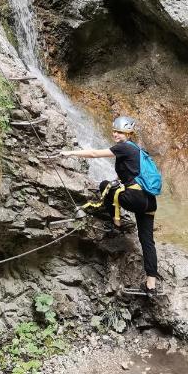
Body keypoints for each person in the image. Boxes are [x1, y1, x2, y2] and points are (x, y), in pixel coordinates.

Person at [59, 115, 158, 292]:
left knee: (106, 186)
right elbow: (126, 176)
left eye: (120, 132)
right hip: (149, 202)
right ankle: (151, 284)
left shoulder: (124, 148)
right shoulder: (136, 150)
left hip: (135, 198)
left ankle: (116, 222)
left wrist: (69, 153)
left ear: (128, 133)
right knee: (147, 241)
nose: (116, 134)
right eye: (114, 131)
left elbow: (94, 154)